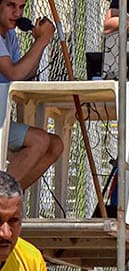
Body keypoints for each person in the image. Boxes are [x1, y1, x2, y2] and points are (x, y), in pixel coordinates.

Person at [0, 0, 63, 189]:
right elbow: (14, 73)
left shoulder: (9, 36)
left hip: (2, 119)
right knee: (39, 140)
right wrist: (43, 40)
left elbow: (25, 74)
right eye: (11, 6)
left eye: (22, 7)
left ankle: (8, 200)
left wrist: (38, 43)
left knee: (55, 145)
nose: (17, 13)